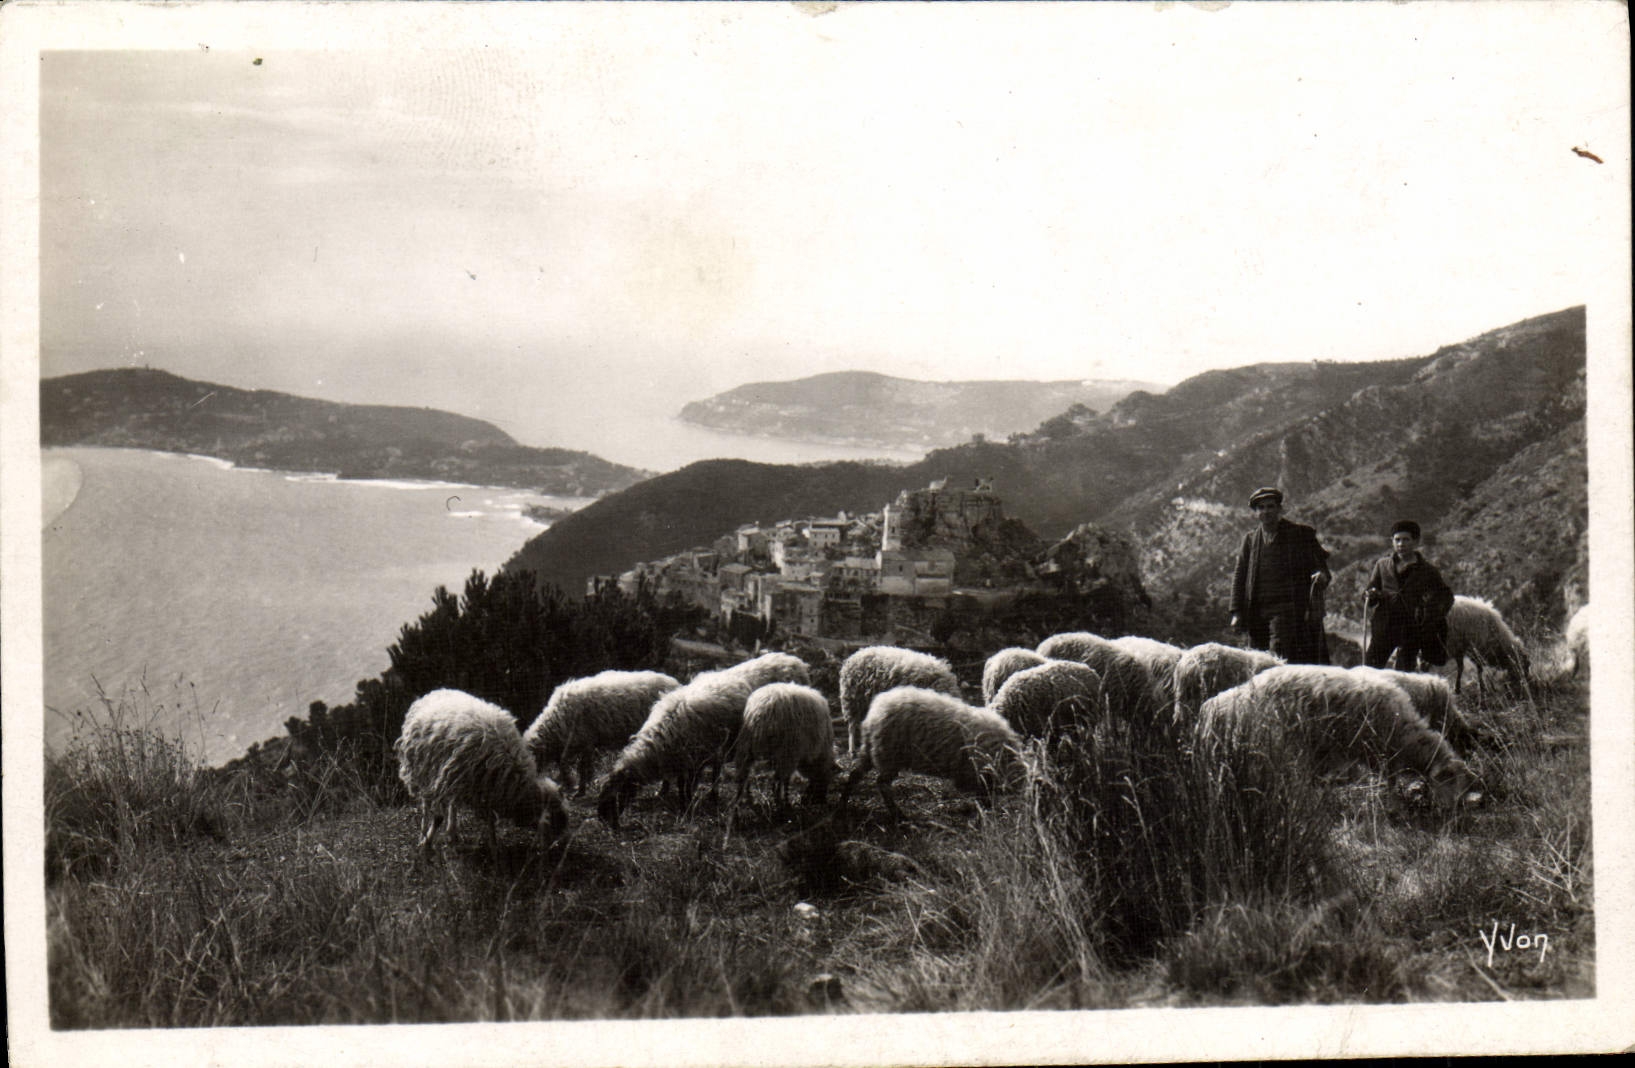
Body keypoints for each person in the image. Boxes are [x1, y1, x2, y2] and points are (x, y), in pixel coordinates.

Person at [1229, 486, 1332, 663]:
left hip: (1288, 611)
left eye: (1270, 506)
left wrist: (1321, 576)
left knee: (1278, 658)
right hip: (1257, 613)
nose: (1266, 511)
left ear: (1279, 509)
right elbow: (1239, 576)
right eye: (1261, 508)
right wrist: (1236, 612)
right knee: (1256, 660)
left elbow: (1321, 568)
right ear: (1255, 512)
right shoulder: (1250, 540)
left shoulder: (1300, 534)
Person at [1363, 519, 1454, 672]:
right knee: (1370, 668)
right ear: (1391, 541)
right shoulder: (1382, 565)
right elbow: (1369, 591)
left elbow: (1446, 597)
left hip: (1411, 628)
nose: (1401, 544)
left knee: (1404, 673)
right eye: (1397, 540)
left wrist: (1429, 614)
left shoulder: (1428, 570)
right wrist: (1370, 595)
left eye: (1406, 540)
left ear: (1416, 542)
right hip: (1384, 625)